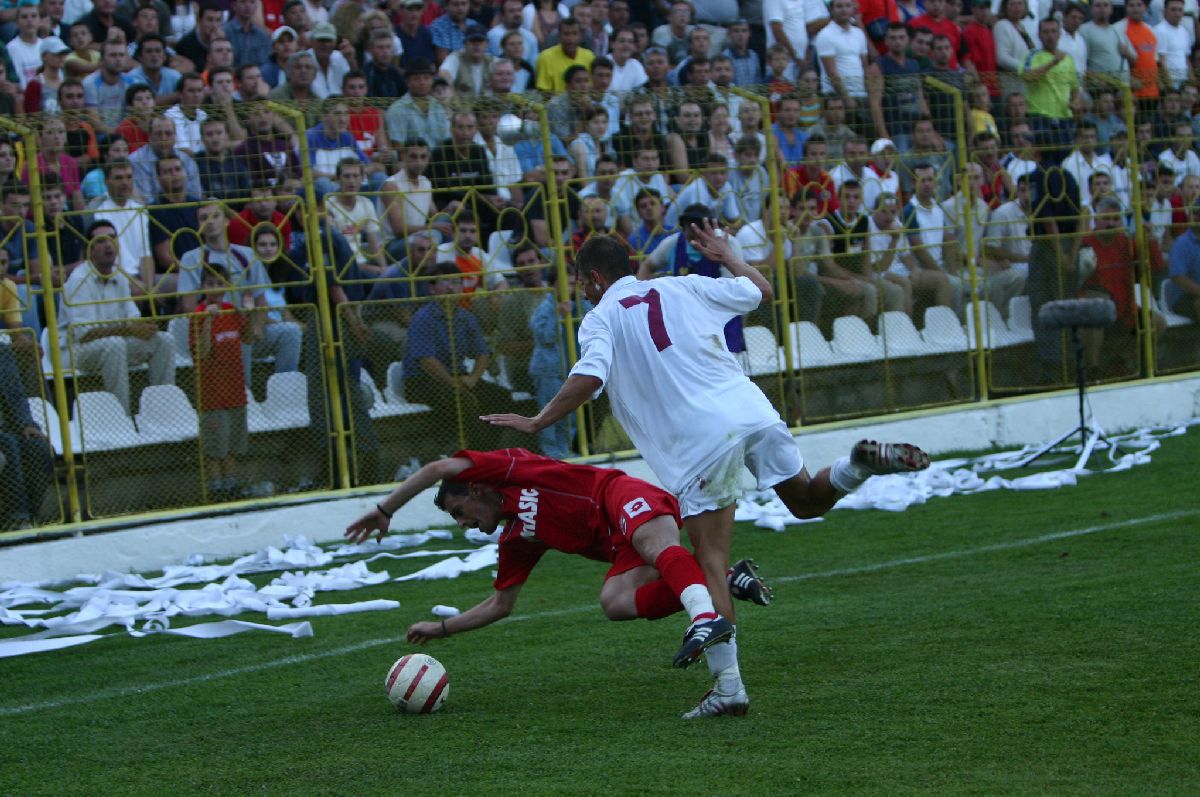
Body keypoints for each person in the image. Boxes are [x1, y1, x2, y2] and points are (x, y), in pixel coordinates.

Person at [482, 224, 930, 718]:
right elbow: (759, 292)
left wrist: (540, 418)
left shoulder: (600, 318)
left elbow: (591, 375)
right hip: (749, 409)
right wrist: (728, 255)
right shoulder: (681, 285)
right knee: (803, 499)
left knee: (710, 558)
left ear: (592, 278)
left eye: (580, 281)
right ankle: (856, 465)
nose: (581, 291)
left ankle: (729, 687)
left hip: (698, 439)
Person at [345, 447, 747, 711]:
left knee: (651, 543)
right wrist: (442, 628)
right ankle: (719, 581)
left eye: (459, 511)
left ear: (475, 487)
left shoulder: (509, 469)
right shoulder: (516, 536)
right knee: (615, 602)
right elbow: (501, 604)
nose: (464, 523)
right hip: (616, 541)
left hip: (616, 494)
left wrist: (386, 510)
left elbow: (436, 467)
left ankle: (702, 618)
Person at [58, 220, 176, 414]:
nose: (108, 244)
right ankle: (122, 418)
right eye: (101, 241)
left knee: (163, 340)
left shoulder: (120, 277)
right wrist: (128, 329)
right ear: (89, 249)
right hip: (74, 351)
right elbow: (83, 334)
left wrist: (145, 326)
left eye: (112, 238)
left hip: (112, 345)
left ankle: (164, 410)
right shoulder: (78, 280)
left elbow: (132, 318)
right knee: (115, 344)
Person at [190, 264, 264, 498]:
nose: (216, 288)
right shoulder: (199, 314)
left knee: (232, 444)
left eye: (220, 283)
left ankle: (230, 485)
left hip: (234, 389)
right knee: (215, 447)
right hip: (212, 393)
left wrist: (250, 313)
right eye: (210, 283)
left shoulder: (232, 311)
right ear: (203, 286)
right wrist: (209, 321)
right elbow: (201, 351)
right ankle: (215, 487)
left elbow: (250, 339)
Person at [0, 341, 52, 528]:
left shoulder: (1, 350)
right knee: (9, 444)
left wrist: (28, 424)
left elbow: (16, 393)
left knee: (38, 447)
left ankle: (32, 515)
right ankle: (18, 518)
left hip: (8, 426)